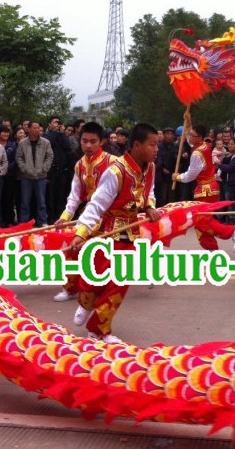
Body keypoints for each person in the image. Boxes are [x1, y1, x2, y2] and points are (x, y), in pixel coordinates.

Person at [70, 123, 162, 343]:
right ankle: (85, 302)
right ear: (137, 145)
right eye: (153, 145)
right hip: (106, 231)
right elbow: (96, 205)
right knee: (97, 278)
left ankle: (99, 329)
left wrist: (149, 206)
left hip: (130, 231)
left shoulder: (150, 167)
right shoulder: (116, 171)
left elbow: (148, 192)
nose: (156, 149)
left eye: (157, 145)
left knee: (120, 282)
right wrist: (81, 233)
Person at [53, 122, 116, 302]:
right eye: (84, 141)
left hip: (112, 216)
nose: (88, 145)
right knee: (73, 248)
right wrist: (65, 217)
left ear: (102, 142)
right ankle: (71, 289)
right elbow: (75, 195)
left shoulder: (113, 163)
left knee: (107, 254)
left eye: (93, 141)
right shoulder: (79, 165)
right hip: (91, 215)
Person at [172, 113, 235, 251]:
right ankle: (212, 250)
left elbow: (191, 175)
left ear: (199, 137)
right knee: (201, 222)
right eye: (190, 134)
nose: (189, 137)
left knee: (202, 221)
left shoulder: (197, 153)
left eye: (192, 135)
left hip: (206, 190)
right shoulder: (204, 145)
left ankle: (232, 232)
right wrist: (189, 122)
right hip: (208, 188)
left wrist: (178, 177)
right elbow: (187, 139)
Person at [16, 121, 53, 227]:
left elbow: (50, 156)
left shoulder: (45, 142)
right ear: (29, 129)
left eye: (38, 128)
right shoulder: (23, 142)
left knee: (41, 201)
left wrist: (44, 168)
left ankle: (42, 221)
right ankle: (24, 222)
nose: (37, 130)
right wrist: (24, 168)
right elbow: (19, 157)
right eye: (34, 128)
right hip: (26, 177)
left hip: (41, 176)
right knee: (25, 201)